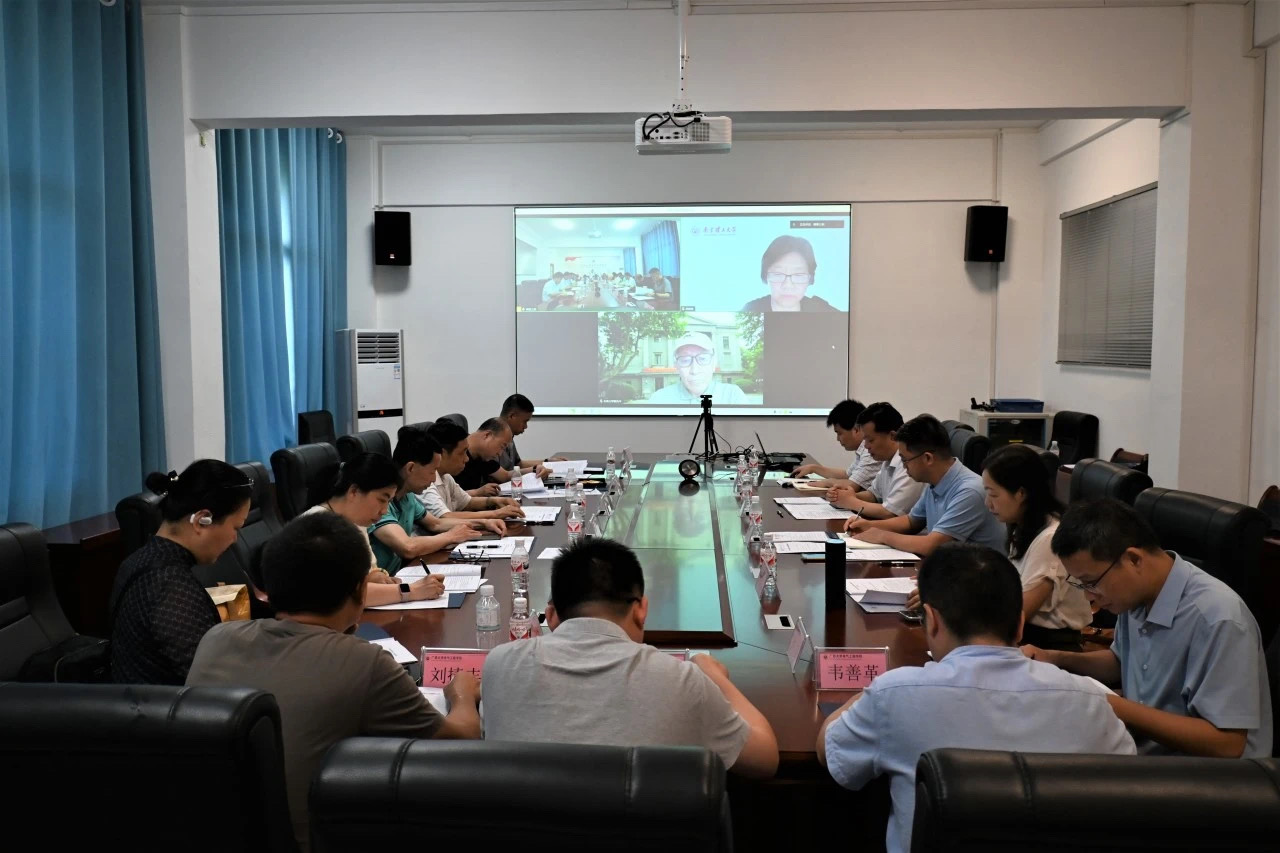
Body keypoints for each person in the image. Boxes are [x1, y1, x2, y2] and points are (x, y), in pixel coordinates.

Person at [187, 512, 482, 850]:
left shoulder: (216, 639)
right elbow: (461, 742)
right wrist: (461, 694)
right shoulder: (365, 662)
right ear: (360, 589)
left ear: (266, 588)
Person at [819, 544, 1134, 853]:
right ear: (1020, 624)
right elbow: (1127, 794)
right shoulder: (1095, 703)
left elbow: (829, 751)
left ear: (931, 620)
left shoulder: (895, 695)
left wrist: (871, 693)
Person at [482, 538, 779, 778]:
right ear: (641, 610)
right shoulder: (681, 681)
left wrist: (461, 701)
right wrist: (715, 679)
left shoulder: (499, 665)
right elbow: (766, 759)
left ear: (551, 616)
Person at [1024, 499, 1273, 758]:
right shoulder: (1136, 596)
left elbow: (1227, 744)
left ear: (1133, 559)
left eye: (1091, 583)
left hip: (1211, 774)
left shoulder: (1218, 618)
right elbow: (1121, 662)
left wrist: (1113, 705)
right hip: (1146, 751)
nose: (1089, 597)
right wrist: (1055, 659)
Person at [109, 461, 252, 684]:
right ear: (201, 520)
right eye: (236, 528)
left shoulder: (138, 560)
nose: (235, 539)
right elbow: (214, 681)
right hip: (162, 705)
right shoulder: (170, 587)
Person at [978, 444, 1093, 650]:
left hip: (1047, 647)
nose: (988, 503)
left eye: (993, 495)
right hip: (1027, 639)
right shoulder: (1025, 526)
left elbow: (1017, 614)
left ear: (1021, 493)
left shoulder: (1049, 539)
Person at [843, 414, 1005, 555]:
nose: (903, 466)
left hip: (980, 576)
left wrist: (882, 535)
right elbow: (911, 522)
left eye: (905, 460)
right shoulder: (935, 481)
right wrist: (869, 526)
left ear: (928, 458)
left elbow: (933, 545)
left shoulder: (969, 491)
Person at [303, 452, 445, 606]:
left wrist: (376, 575)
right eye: (382, 500)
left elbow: (367, 571)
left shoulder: (355, 521)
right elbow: (346, 596)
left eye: (389, 502)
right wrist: (412, 591)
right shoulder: (317, 528)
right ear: (354, 491)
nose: (384, 511)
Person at [368, 429, 496, 573]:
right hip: (383, 581)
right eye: (431, 471)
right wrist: (451, 536)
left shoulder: (408, 496)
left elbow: (436, 523)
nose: (434, 479)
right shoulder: (380, 501)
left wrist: (484, 523)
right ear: (410, 468)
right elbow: (408, 547)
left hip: (399, 574)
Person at [828, 402, 923, 519]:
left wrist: (851, 502)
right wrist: (845, 496)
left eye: (870, 440)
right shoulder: (887, 459)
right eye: (865, 440)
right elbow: (873, 495)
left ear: (892, 436)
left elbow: (891, 513)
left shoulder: (908, 464)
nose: (866, 446)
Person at [422, 420, 526, 523]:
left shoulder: (446, 476)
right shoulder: (425, 482)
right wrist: (495, 514)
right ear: (442, 454)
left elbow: (467, 502)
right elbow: (444, 518)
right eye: (461, 453)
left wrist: (495, 501)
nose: (466, 459)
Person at [792, 399, 881, 490]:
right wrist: (813, 468)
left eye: (839, 433)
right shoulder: (862, 450)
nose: (838, 439)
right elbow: (847, 475)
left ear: (856, 429)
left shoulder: (870, 451)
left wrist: (827, 482)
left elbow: (852, 485)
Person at [643, 331, 748, 405]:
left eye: (703, 358)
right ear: (677, 367)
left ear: (713, 363)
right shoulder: (659, 399)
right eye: (685, 360)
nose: (695, 370)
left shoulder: (733, 396)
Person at [741, 235, 837, 313]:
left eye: (798, 275)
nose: (788, 285)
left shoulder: (822, 310)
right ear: (766, 276)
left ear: (810, 278)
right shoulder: (751, 310)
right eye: (778, 274)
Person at [493, 393, 567, 480]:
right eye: (524, 421)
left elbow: (519, 464)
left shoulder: (509, 436)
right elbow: (504, 476)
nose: (526, 426)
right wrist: (535, 469)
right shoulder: (493, 439)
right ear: (512, 416)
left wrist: (548, 462)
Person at [454, 416, 514, 491]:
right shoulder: (454, 451)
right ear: (487, 435)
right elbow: (447, 495)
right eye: (501, 447)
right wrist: (477, 492)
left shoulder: (482, 455)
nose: (500, 454)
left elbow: (505, 476)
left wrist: (530, 470)